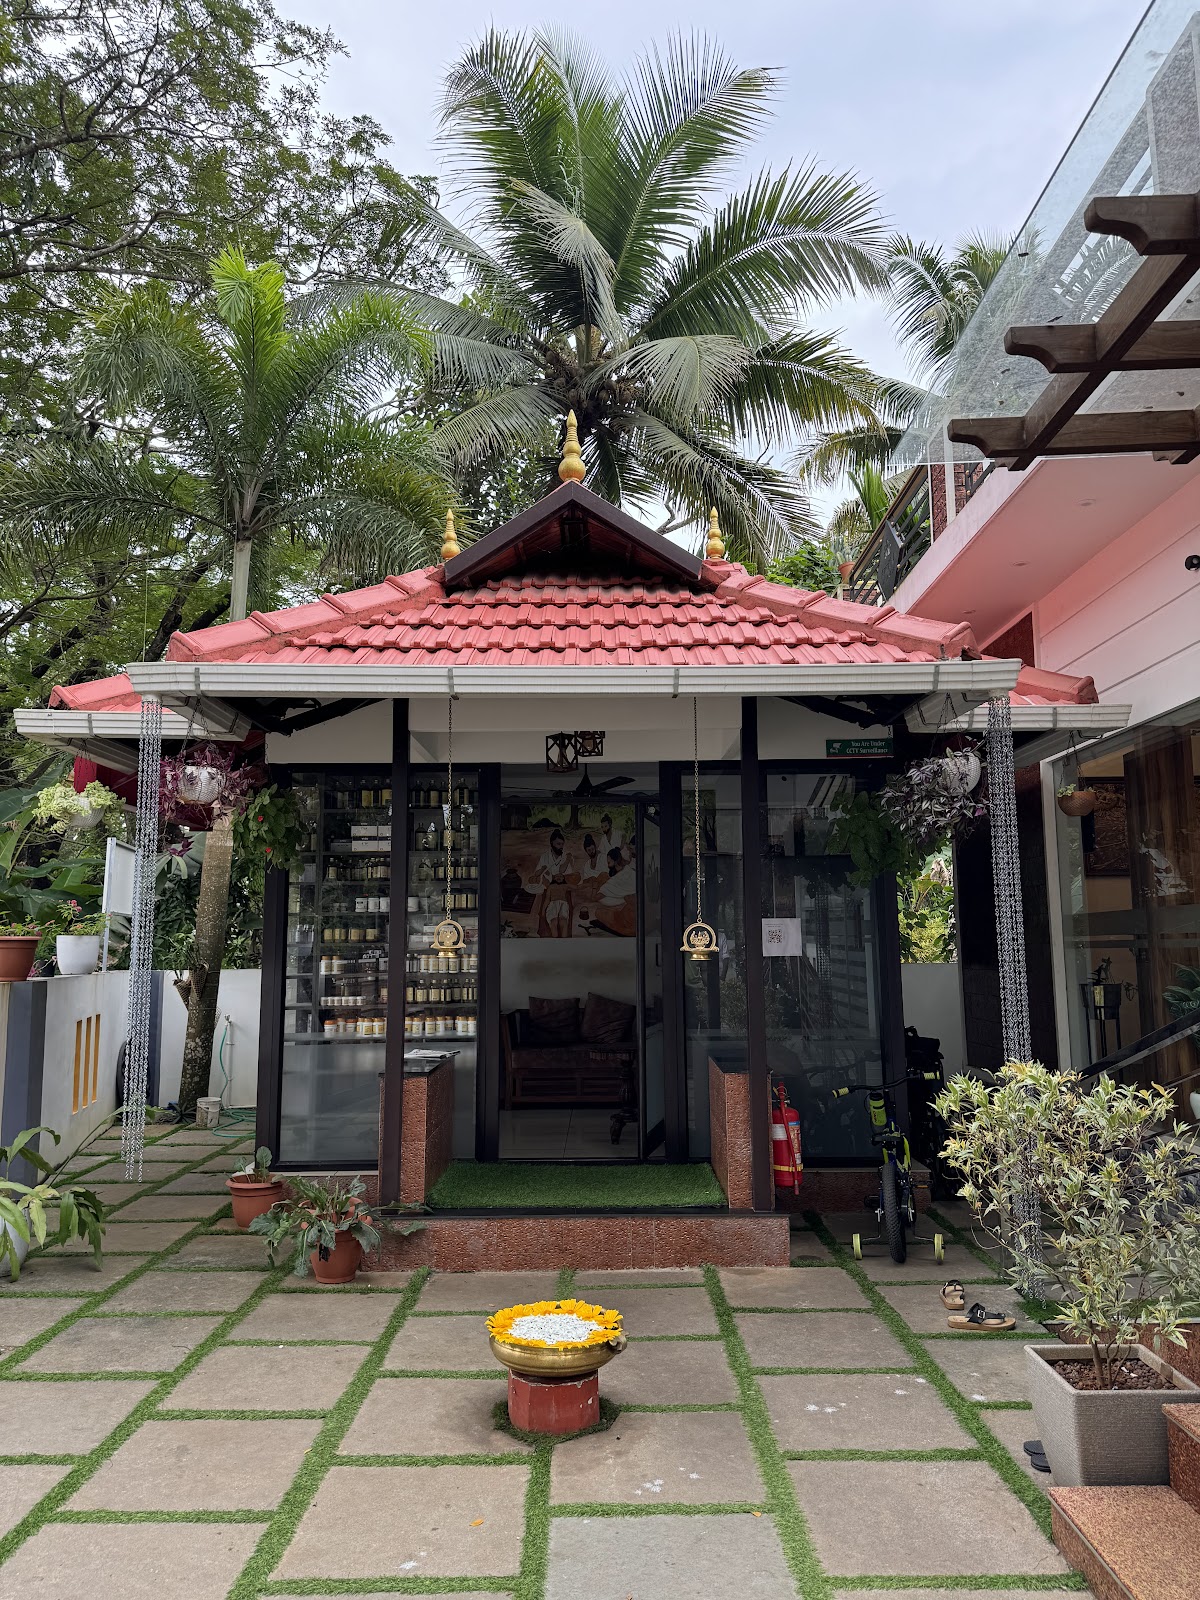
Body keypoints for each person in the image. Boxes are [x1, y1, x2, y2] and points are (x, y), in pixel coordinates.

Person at [532, 828, 575, 937]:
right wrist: (543, 872)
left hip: (562, 887)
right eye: (558, 844)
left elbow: (567, 874)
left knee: (564, 917)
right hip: (548, 888)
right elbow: (537, 872)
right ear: (552, 843)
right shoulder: (545, 856)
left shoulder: (566, 856)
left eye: (562, 844)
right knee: (545, 913)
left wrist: (568, 860)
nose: (561, 846)